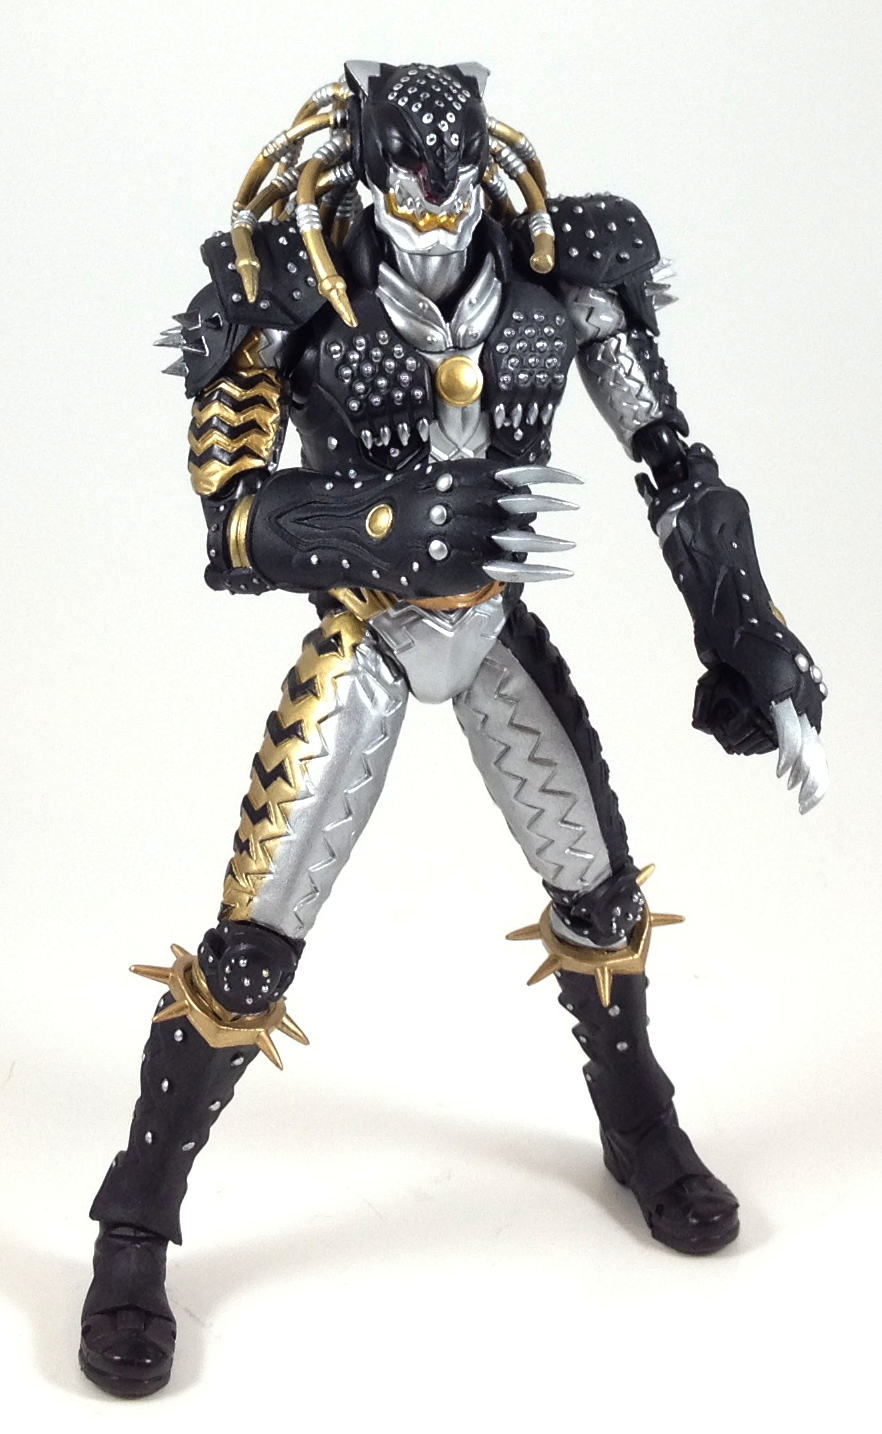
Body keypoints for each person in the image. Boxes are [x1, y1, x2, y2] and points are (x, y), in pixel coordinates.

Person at [79, 60, 828, 1397]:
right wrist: (380, 522)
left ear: (489, 173)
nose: (431, 220)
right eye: (405, 190)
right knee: (246, 959)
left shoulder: (563, 276)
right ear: (365, 179)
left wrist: (746, 626)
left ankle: (640, 1122)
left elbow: (672, 460)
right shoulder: (285, 290)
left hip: (492, 631)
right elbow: (231, 520)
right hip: (368, 630)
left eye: (455, 188)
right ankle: (135, 1221)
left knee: (602, 898)